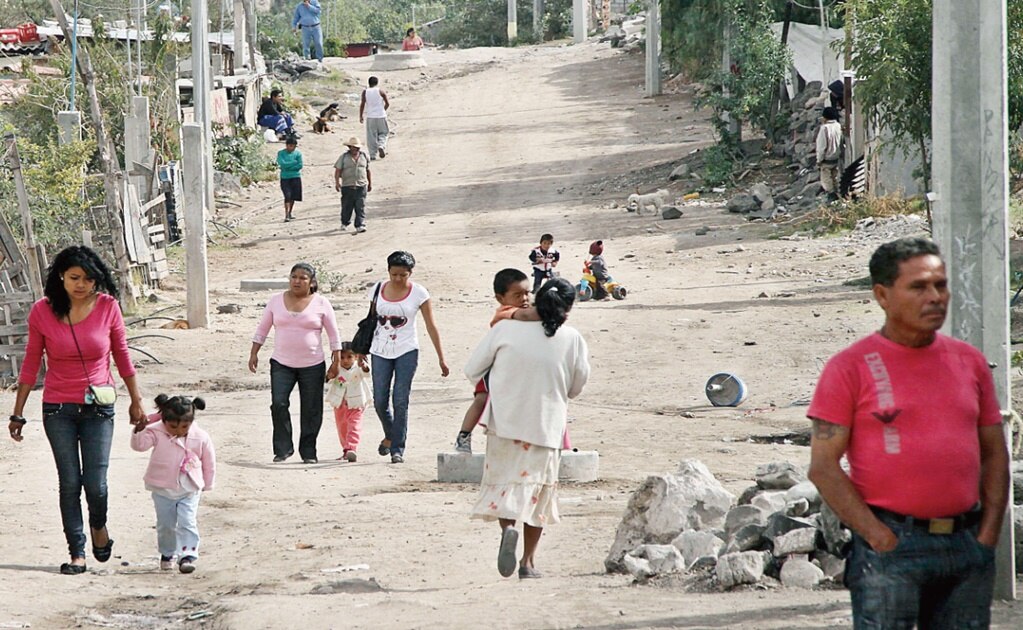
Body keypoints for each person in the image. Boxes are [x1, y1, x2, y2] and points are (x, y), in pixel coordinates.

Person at [807, 237, 1009, 629]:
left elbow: (994, 453)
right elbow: (823, 467)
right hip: (892, 548)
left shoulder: (969, 363)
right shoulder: (849, 368)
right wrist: (878, 537)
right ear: (882, 295)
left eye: (940, 285)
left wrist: (987, 535)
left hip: (966, 544)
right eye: (918, 287)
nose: (935, 297)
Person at [8, 245, 146, 575]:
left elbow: (122, 356)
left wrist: (137, 400)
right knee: (69, 482)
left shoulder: (108, 307)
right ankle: (77, 552)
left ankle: (99, 526)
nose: (81, 285)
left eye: (87, 279)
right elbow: (30, 363)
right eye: (73, 278)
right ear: (61, 277)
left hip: (99, 406)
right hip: (58, 407)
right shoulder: (42, 311)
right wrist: (17, 412)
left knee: (95, 484)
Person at [465, 277, 590, 579]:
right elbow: (576, 387)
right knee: (539, 494)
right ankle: (528, 563)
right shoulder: (572, 338)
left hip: (505, 422)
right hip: (547, 426)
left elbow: (472, 370)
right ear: (567, 308)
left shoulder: (505, 329)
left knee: (505, 484)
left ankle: (508, 528)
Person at [249, 263, 342, 464]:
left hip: (313, 364)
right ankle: (283, 449)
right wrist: (254, 353)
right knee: (278, 404)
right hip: (282, 363)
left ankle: (308, 452)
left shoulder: (322, 303)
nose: (297, 281)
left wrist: (336, 361)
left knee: (311, 408)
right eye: (294, 277)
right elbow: (262, 329)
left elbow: (334, 334)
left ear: (312, 282)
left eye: (303, 278)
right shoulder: (275, 301)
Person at [365, 251, 449, 463]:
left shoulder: (419, 293)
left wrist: (441, 357)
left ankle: (397, 449)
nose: (398, 279)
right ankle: (390, 435)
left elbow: (431, 325)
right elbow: (370, 320)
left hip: (407, 351)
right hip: (379, 351)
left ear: (410, 273)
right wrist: (359, 352)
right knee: (379, 400)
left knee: (400, 400)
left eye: (403, 275)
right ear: (388, 272)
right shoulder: (377, 289)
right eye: (394, 274)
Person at [454, 268, 540, 454]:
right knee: (482, 399)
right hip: (495, 368)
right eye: (517, 295)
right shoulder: (505, 313)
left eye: (527, 293)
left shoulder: (528, 311)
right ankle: (464, 435)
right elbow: (526, 317)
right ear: (501, 299)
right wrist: (553, 310)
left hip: (519, 368)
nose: (524, 299)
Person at [131, 394, 215, 574]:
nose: (179, 431)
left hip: (189, 489)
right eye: (173, 426)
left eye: (185, 426)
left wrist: (207, 483)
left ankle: (188, 554)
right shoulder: (156, 432)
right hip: (163, 489)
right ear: (164, 421)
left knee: (187, 521)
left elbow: (209, 461)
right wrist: (140, 428)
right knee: (166, 524)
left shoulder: (200, 437)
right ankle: (168, 553)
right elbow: (139, 446)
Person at [327, 342, 371, 462]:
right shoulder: (337, 368)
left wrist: (363, 365)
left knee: (354, 426)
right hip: (339, 403)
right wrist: (330, 374)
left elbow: (367, 372)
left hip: (356, 403)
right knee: (342, 428)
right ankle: (345, 450)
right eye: (342, 357)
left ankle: (351, 448)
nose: (345, 360)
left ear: (356, 357)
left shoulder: (358, 368)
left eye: (349, 357)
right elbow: (329, 378)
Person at [333, 137, 372, 233]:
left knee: (360, 206)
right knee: (347, 206)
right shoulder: (344, 157)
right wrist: (337, 182)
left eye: (357, 148)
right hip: (347, 185)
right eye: (354, 148)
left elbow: (367, 170)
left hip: (361, 186)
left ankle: (360, 224)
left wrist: (370, 183)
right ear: (349, 147)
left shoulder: (364, 156)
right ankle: (345, 222)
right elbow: (338, 170)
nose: (356, 150)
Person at [359, 76, 390, 160]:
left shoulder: (365, 92)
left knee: (371, 135)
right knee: (384, 133)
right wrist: (383, 110)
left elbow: (362, 104)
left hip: (370, 117)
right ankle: (381, 145)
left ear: (369, 83)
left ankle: (372, 154)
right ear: (377, 83)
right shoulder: (380, 91)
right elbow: (387, 103)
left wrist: (361, 116)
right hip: (381, 116)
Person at [816, 106, 843, 202]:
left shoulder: (824, 129)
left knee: (826, 178)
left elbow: (821, 146)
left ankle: (831, 195)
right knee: (834, 176)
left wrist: (819, 159)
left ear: (825, 117)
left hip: (827, 158)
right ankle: (838, 194)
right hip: (836, 157)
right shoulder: (838, 126)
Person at [276, 137, 303, 222]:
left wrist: (288, 166)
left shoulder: (298, 154)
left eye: (294, 146)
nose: (292, 148)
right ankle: (286, 214)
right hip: (285, 177)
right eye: (291, 146)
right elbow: (282, 164)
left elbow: (300, 165)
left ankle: (290, 212)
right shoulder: (281, 153)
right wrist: (293, 163)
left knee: (293, 196)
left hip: (295, 177)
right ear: (287, 145)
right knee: (287, 196)